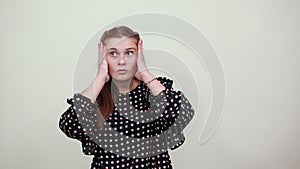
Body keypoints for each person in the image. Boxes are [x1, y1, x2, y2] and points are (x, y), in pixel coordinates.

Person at [59, 26, 195, 169]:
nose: (122, 61)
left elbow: (182, 113)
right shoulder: (96, 99)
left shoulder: (153, 94)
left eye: (129, 53)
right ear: (104, 58)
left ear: (139, 56)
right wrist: (100, 78)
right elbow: (69, 125)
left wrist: (145, 72)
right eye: (113, 53)